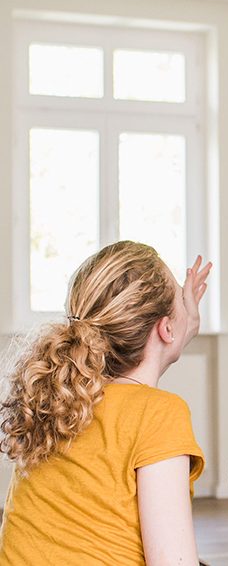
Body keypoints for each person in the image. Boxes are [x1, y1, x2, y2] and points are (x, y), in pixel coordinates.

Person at [0, 241, 212, 565]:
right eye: (179, 298)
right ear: (166, 328)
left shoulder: (58, 398)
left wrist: (183, 325)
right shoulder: (158, 414)